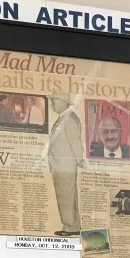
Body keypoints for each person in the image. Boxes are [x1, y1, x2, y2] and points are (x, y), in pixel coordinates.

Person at [48, 95, 85, 237]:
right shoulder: (65, 118)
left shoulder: (68, 119)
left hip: (65, 166)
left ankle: (69, 228)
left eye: (53, 102)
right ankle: (73, 226)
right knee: (68, 197)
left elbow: (75, 142)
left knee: (66, 198)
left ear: (62, 102)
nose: (52, 105)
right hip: (61, 165)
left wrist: (80, 159)